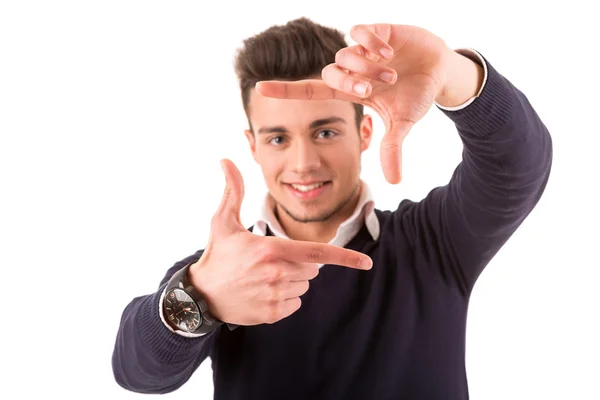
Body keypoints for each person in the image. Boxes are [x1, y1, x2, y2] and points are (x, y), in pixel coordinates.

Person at [112, 17, 553, 399]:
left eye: (325, 132)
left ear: (364, 132)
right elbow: (138, 372)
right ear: (254, 146)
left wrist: (454, 75)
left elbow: (518, 163)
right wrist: (200, 295)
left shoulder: (433, 242)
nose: (303, 164)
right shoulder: (222, 273)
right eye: (278, 138)